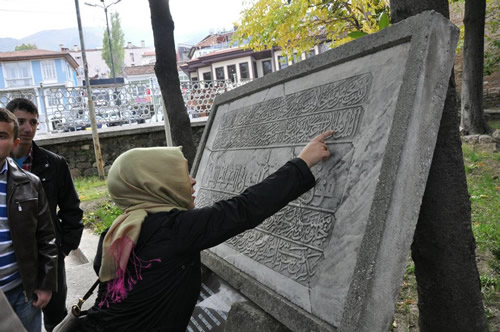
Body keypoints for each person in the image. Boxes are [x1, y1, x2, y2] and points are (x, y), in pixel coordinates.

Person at [77, 130, 334, 332]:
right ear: (156, 183)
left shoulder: (117, 230)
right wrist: (302, 162)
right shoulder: (173, 229)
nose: (192, 180)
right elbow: (243, 209)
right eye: (180, 174)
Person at [6, 98, 84, 331]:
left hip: (49, 257)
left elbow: (72, 210)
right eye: (21, 121)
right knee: (15, 321)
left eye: (33, 122)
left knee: (56, 319)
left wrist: (63, 248)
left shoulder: (54, 164)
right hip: (11, 262)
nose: (28, 128)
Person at [0, 108, 58, 332]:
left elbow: (46, 236)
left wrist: (46, 284)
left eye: (2, 136)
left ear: (14, 142)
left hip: (21, 292)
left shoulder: (29, 183)